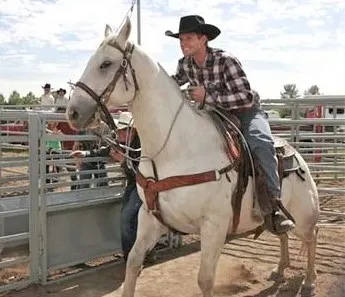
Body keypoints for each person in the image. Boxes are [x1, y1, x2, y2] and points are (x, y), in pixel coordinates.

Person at [166, 15, 294, 235]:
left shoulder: (226, 60)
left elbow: (244, 97)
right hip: (213, 113)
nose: (183, 43)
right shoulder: (184, 64)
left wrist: (208, 97)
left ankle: (273, 206)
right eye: (181, 39)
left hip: (245, 113)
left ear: (203, 39)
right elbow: (171, 83)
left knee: (261, 143)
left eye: (188, 38)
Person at [71, 112, 142, 262]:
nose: (118, 133)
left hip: (142, 185)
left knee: (127, 217)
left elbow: (141, 173)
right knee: (128, 218)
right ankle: (132, 255)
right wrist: (85, 153)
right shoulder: (121, 142)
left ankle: (132, 257)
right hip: (133, 184)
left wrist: (122, 160)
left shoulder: (141, 146)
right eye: (118, 130)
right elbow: (102, 150)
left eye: (122, 130)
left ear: (132, 131)